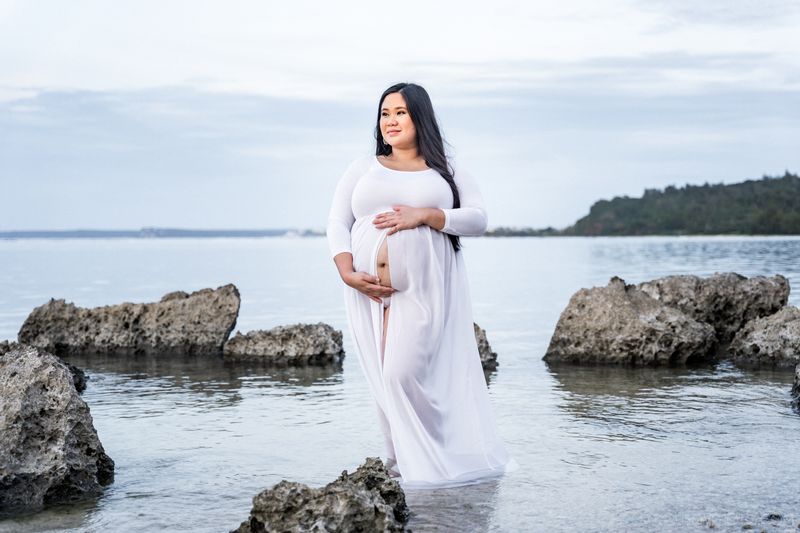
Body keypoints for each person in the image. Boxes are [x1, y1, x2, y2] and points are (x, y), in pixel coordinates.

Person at [326, 82, 514, 488]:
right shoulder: (363, 167)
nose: (390, 121)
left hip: (424, 290)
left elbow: (478, 219)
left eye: (401, 113)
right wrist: (345, 271)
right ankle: (401, 472)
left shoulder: (446, 168)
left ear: (420, 117)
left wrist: (426, 215)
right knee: (383, 382)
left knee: (400, 373)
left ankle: (436, 463)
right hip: (366, 291)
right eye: (384, 113)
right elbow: (337, 222)